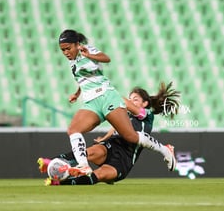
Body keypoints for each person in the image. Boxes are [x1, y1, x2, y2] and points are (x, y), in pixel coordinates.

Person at [58, 29, 178, 176]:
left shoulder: (87, 50)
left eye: (68, 48)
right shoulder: (72, 62)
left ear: (77, 44)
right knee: (73, 130)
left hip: (107, 96)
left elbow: (106, 58)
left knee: (131, 136)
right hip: (91, 102)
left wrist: (88, 54)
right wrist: (77, 94)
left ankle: (165, 150)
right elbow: (83, 79)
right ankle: (84, 166)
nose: (65, 53)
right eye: (63, 50)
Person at [38, 81, 180, 185]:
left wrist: (107, 89)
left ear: (145, 104)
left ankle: (61, 182)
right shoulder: (124, 114)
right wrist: (104, 138)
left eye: (135, 99)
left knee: (98, 175)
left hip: (125, 157)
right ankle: (54, 162)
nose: (131, 101)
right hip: (112, 144)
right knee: (90, 152)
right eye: (130, 98)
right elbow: (116, 127)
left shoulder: (147, 115)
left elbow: (124, 104)